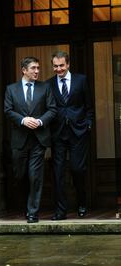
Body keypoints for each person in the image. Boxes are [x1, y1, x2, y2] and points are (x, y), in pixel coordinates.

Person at [4, 56, 57, 223]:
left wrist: (40, 121)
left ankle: (33, 212)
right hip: (19, 140)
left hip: (38, 139)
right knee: (20, 175)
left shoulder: (45, 87)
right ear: (24, 70)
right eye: (33, 68)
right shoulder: (11, 89)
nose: (37, 71)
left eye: (38, 68)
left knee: (35, 176)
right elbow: (8, 110)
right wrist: (23, 120)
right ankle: (25, 206)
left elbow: (52, 109)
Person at [47, 51, 94, 220]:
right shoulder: (49, 84)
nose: (58, 69)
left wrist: (88, 123)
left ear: (68, 64)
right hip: (58, 133)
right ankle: (61, 211)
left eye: (61, 65)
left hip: (78, 132)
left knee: (77, 169)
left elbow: (89, 105)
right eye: (55, 66)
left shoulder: (81, 80)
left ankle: (82, 203)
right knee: (58, 173)